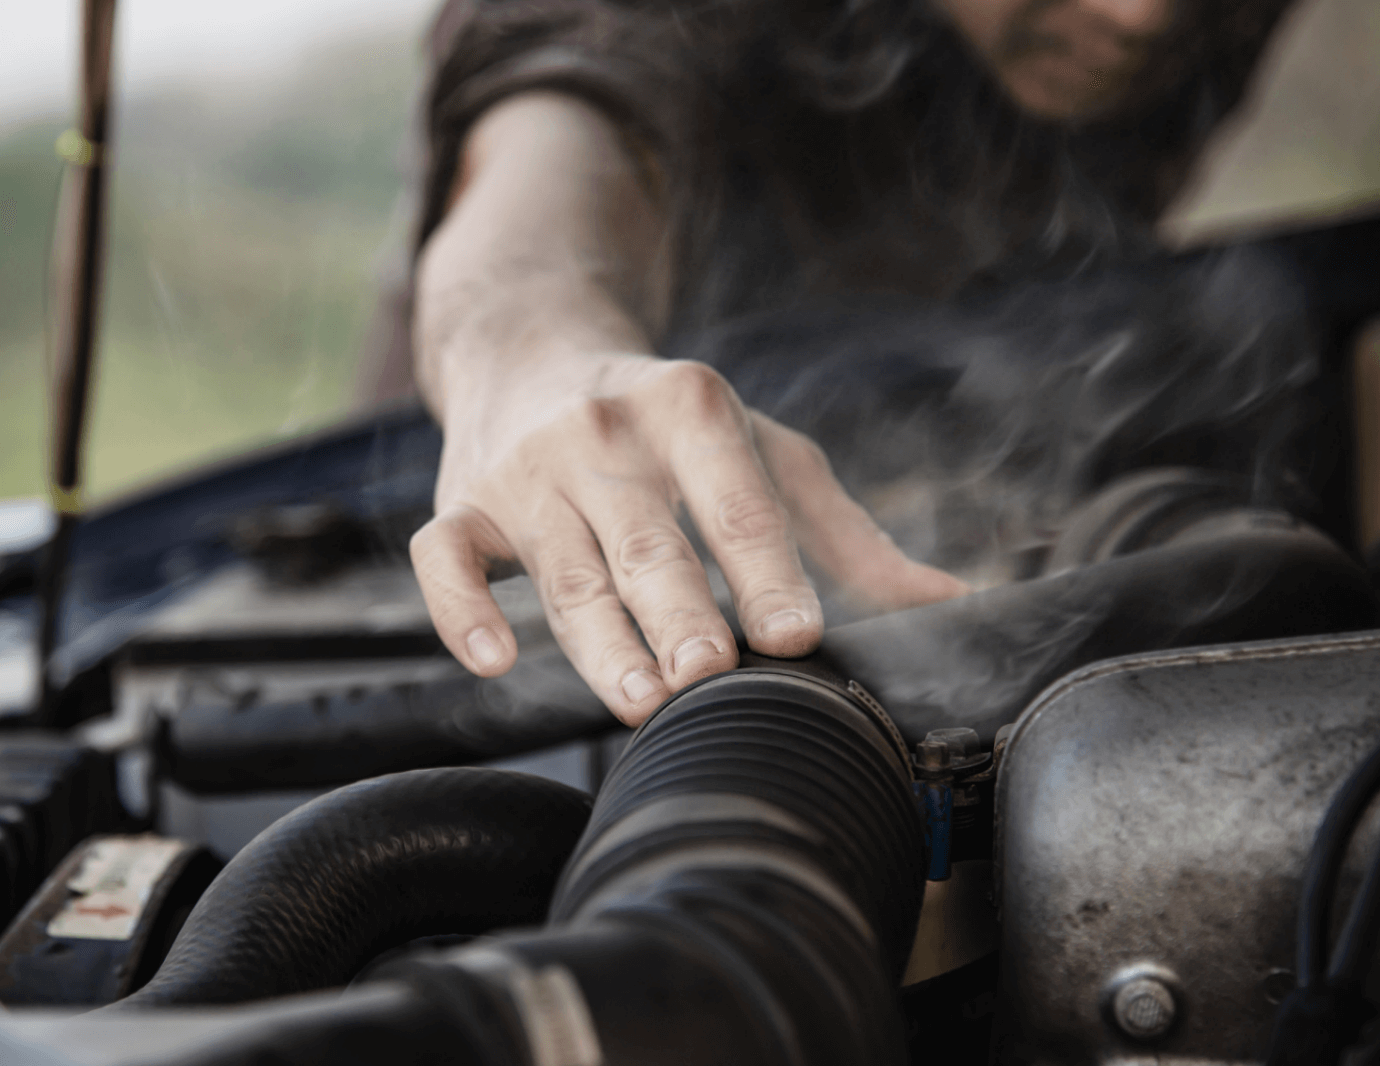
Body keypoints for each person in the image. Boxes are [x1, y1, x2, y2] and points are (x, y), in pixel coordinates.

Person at [399, 0, 1299, 726]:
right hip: (544, 502)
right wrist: (540, 367)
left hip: (953, 459)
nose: (1144, 18)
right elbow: (542, 164)